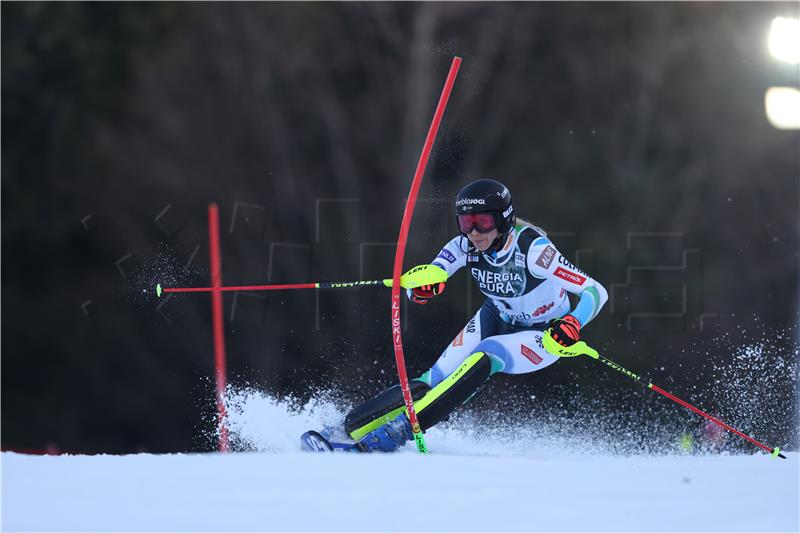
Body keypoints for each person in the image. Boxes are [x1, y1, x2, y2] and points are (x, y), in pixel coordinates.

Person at [343, 178, 608, 452]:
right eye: (465, 222)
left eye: (482, 222)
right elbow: (430, 277)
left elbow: (595, 290)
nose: (473, 232)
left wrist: (574, 322)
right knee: (434, 378)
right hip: (496, 316)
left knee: (488, 353)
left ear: (503, 219)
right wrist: (421, 290)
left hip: (544, 334)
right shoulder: (463, 246)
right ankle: (350, 427)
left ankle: (397, 433)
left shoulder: (534, 251)